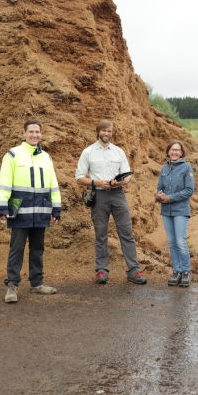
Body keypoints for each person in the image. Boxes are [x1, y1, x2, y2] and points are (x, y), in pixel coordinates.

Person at [0, 119, 61, 303]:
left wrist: (56, 208)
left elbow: (53, 184)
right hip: (20, 210)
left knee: (37, 248)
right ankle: (12, 285)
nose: (34, 135)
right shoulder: (13, 155)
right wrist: (1, 206)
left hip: (40, 209)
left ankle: (37, 283)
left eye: (37, 132)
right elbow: (4, 181)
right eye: (31, 132)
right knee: (16, 248)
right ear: (24, 133)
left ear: (41, 134)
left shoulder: (46, 157)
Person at [75, 119, 147, 285]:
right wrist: (97, 183)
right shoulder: (88, 152)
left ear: (112, 132)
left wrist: (120, 182)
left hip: (118, 195)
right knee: (101, 234)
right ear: (98, 131)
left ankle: (134, 270)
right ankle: (101, 270)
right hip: (99, 196)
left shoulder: (118, 152)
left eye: (109, 131)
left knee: (126, 232)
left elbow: (127, 175)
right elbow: (79, 177)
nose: (106, 133)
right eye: (103, 131)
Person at [156, 141, 195, 287]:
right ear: (168, 152)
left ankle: (186, 272)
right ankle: (176, 271)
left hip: (180, 211)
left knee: (180, 242)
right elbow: (159, 187)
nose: (175, 152)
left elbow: (189, 191)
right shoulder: (164, 168)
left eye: (178, 150)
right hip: (166, 211)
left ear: (182, 153)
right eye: (172, 150)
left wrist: (170, 198)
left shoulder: (187, 168)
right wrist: (158, 195)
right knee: (172, 243)